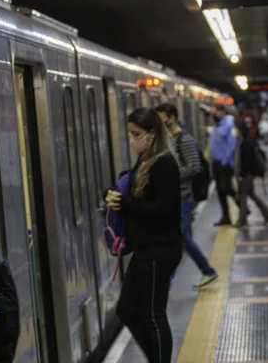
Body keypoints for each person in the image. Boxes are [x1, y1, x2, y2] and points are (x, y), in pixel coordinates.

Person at [104, 108, 182, 363]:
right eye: (130, 133)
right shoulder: (145, 159)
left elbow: (165, 211)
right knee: (127, 310)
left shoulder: (164, 163)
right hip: (145, 248)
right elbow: (137, 196)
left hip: (160, 248)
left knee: (153, 315)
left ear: (152, 134)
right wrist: (113, 195)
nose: (132, 139)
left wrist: (126, 204)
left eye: (136, 133)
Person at [155, 103, 218, 290]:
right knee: (181, 237)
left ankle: (205, 271)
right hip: (174, 197)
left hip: (182, 197)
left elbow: (194, 167)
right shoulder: (168, 139)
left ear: (171, 117)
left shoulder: (184, 139)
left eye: (161, 117)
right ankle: (203, 271)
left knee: (180, 238)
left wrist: (169, 174)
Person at [233, 119, 268, 228]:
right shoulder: (245, 140)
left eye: (235, 128)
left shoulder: (245, 143)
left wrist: (241, 175)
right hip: (250, 173)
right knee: (251, 195)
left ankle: (242, 221)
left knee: (242, 196)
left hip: (247, 174)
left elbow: (246, 162)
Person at [209, 104, 237, 226]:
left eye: (215, 112)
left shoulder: (229, 125)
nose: (213, 115)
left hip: (225, 164)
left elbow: (231, 146)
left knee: (225, 188)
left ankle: (242, 205)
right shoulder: (216, 126)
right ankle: (226, 216)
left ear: (222, 112)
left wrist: (225, 162)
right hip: (216, 162)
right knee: (220, 191)